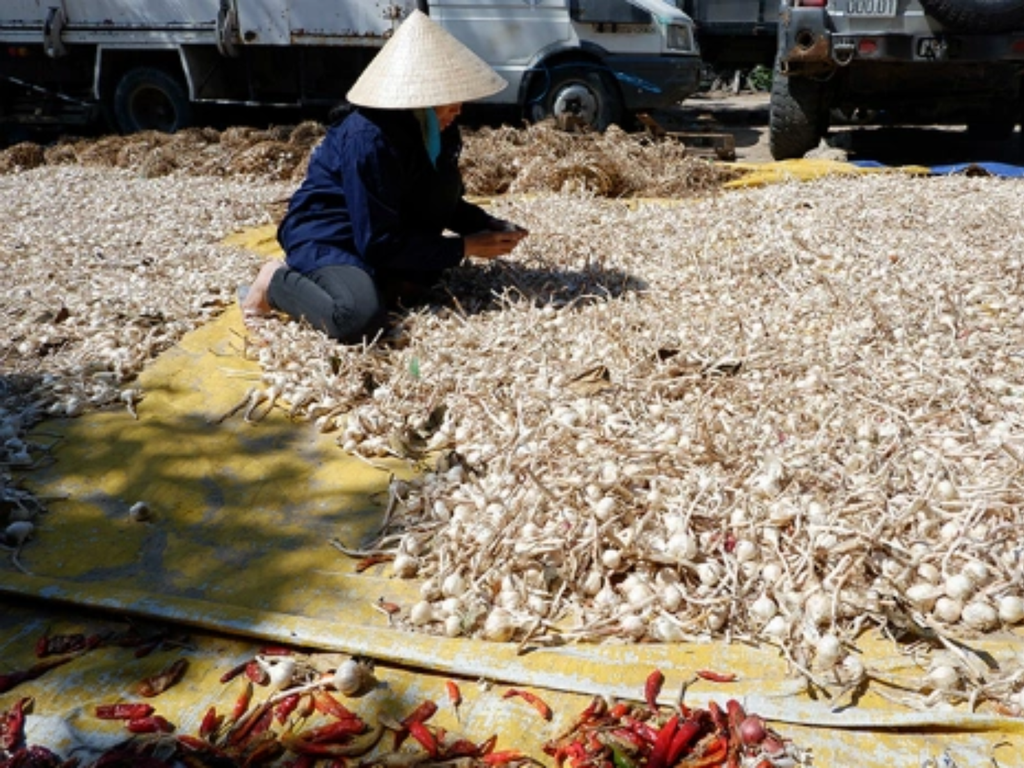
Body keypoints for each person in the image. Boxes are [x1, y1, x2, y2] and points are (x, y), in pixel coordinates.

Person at [240, 9, 528, 343]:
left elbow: (438, 198)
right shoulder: (369, 138)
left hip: (381, 228)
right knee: (357, 319)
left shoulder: (438, 129)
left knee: (417, 284)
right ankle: (273, 282)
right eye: (449, 102)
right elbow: (377, 242)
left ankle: (365, 280)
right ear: (419, 100)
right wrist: (465, 247)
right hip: (330, 234)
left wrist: (486, 226)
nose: (458, 109)